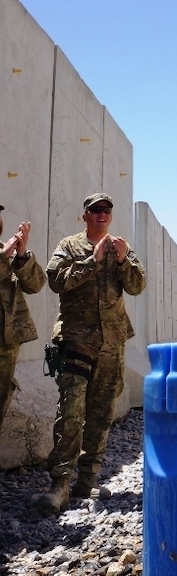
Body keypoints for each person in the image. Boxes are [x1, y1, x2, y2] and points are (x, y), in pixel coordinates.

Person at [36, 193, 146, 514]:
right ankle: (60, 484)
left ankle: (88, 481)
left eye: (107, 210)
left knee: (101, 412)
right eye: (96, 210)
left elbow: (138, 285)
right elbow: (56, 280)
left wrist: (124, 261)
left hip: (112, 343)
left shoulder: (121, 248)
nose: (102, 214)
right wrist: (92, 261)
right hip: (76, 341)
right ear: (84, 215)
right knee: (71, 410)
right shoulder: (69, 247)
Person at [0, 205, 46, 439]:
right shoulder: (2, 254)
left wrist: (22, 255)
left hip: (6, 344)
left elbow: (36, 285)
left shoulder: (6, 253)